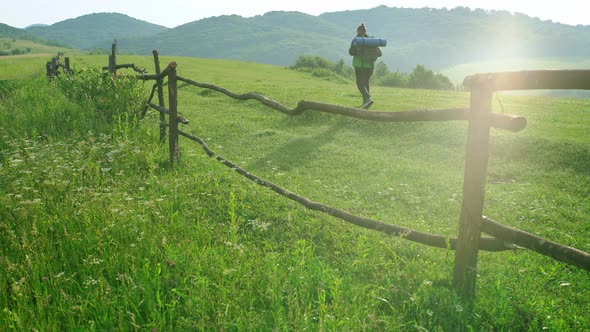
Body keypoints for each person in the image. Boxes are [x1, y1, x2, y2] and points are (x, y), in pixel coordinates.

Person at [349, 23, 382, 109]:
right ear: (365, 31)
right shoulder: (371, 40)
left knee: (360, 84)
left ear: (358, 31)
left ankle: (367, 99)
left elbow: (351, 52)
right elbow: (379, 53)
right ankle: (366, 103)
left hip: (359, 65)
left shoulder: (356, 40)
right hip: (370, 66)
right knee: (366, 83)